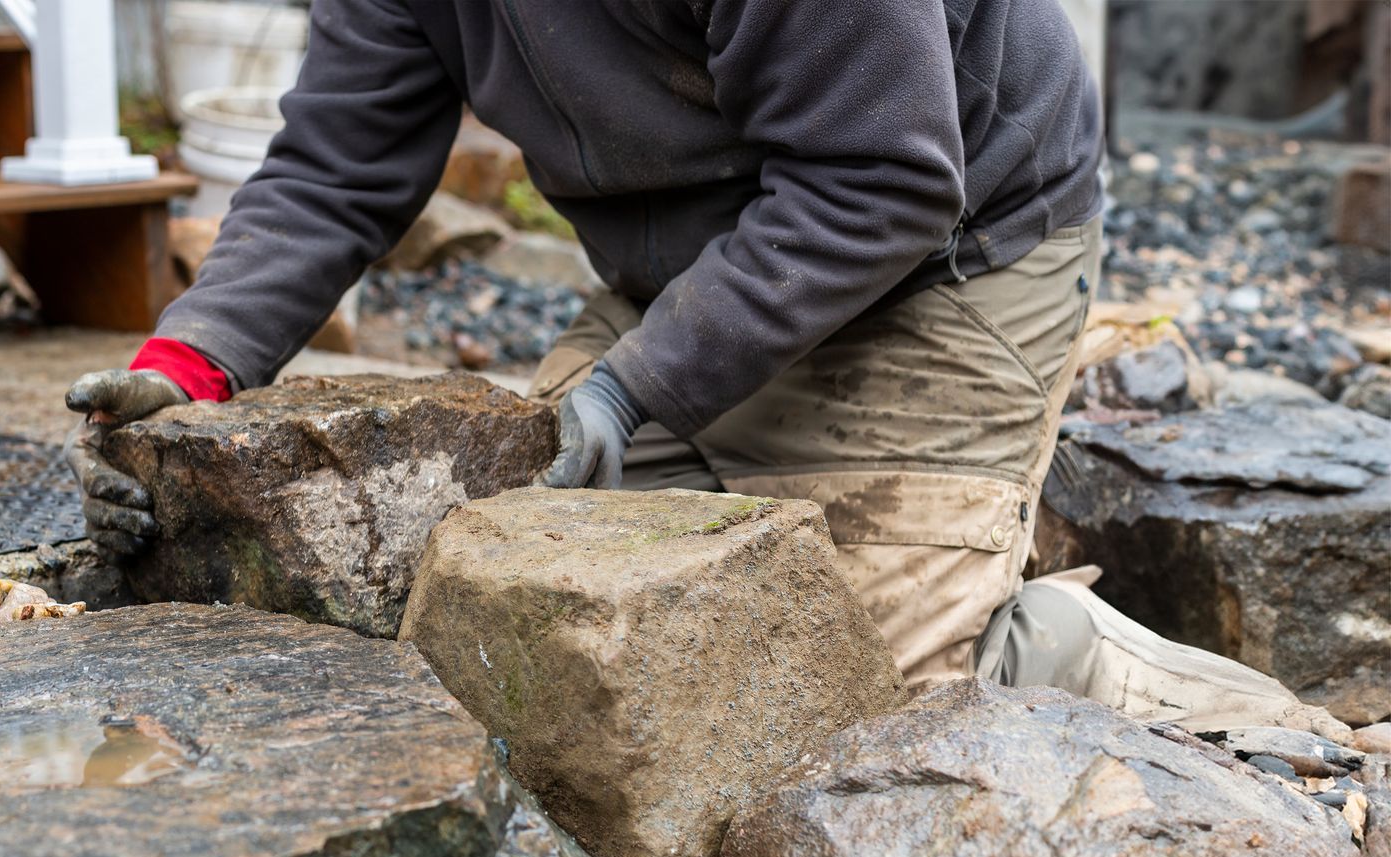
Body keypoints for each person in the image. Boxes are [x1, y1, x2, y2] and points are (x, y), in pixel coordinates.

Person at [67, 0, 1345, 740]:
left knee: (852, 723)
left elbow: (881, 175)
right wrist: (190, 367)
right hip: (687, 267)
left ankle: (1064, 654)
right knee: (491, 615)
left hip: (945, 252)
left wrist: (637, 386)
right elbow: (335, 168)